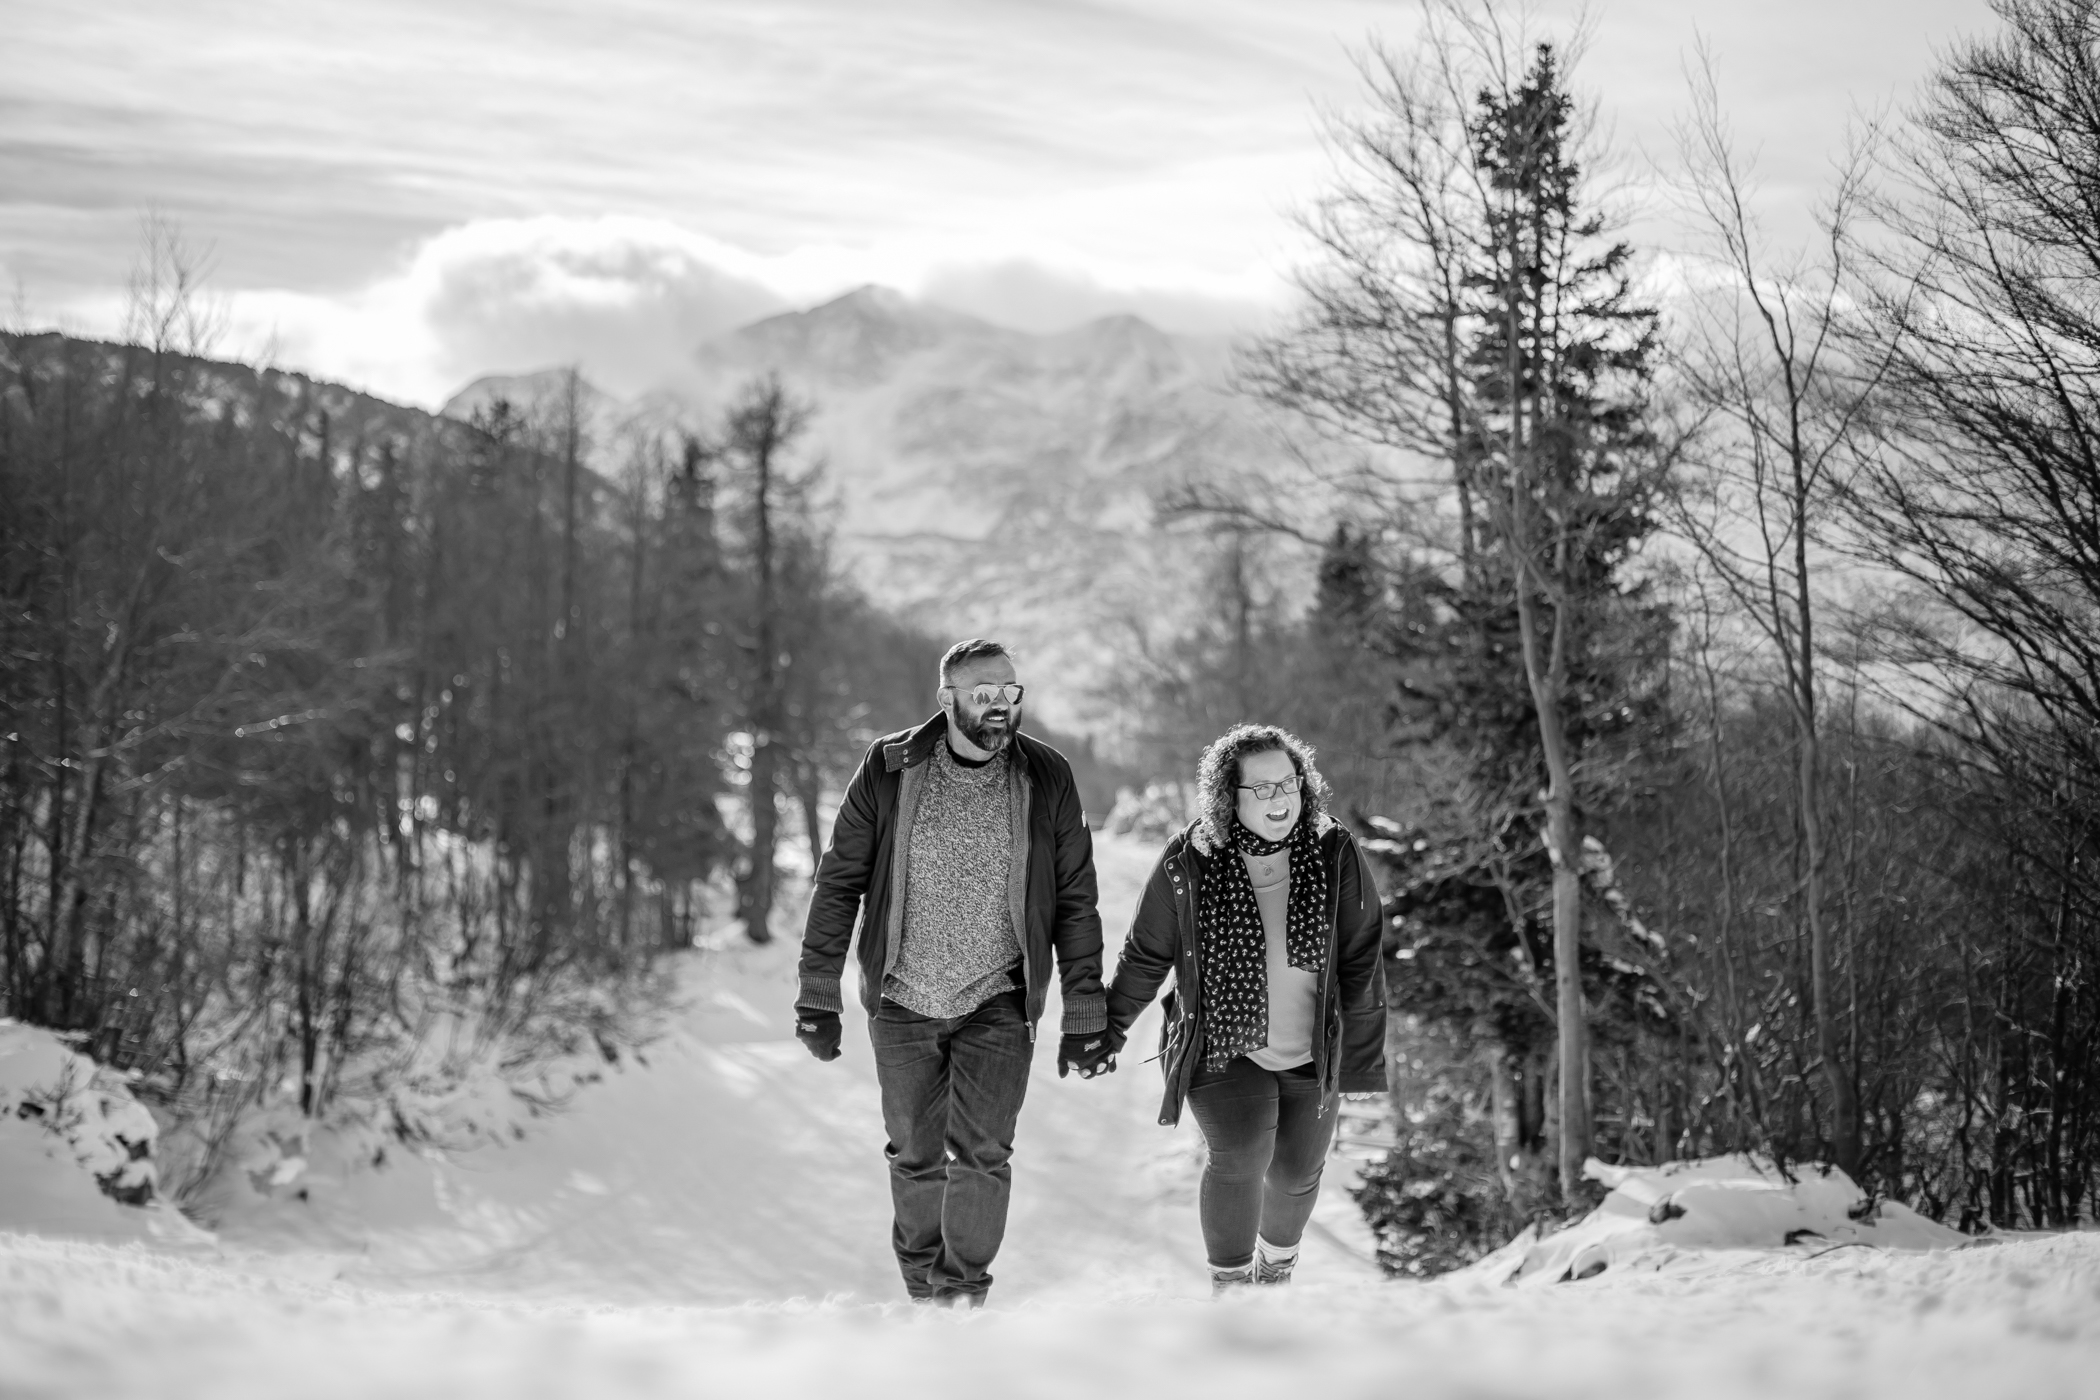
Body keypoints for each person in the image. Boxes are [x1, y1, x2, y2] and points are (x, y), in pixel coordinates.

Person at [793, 638, 1114, 1308]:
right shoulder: (889, 768)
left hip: (997, 997)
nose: (1000, 706)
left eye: (1009, 692)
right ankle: (922, 1291)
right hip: (903, 999)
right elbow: (839, 883)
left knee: (984, 1155)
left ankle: (962, 1298)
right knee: (914, 1155)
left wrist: (1085, 1012)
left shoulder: (1046, 777)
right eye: (983, 693)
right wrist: (817, 993)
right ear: (948, 700)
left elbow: (1076, 898)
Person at [1102, 723, 1387, 1295]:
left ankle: (1273, 1272)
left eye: (1288, 783)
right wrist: (1106, 1031)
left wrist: (1360, 1061)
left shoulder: (1333, 850)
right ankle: (1230, 1293)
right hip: (1222, 1044)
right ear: (1228, 797)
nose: (1279, 799)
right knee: (1242, 1152)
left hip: (1312, 1047)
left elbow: (1361, 958)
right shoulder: (1193, 858)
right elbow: (1146, 953)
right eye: (1260, 789)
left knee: (1297, 1172)